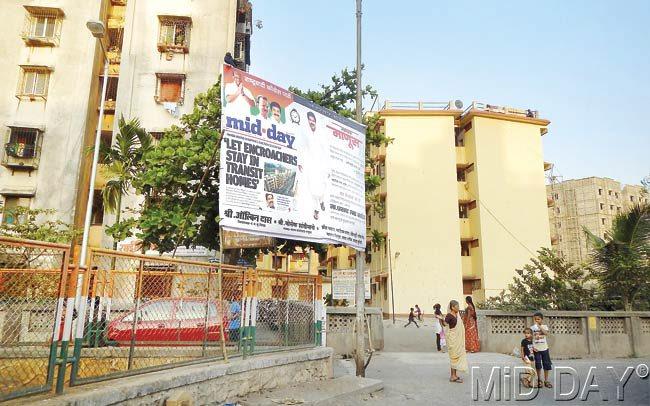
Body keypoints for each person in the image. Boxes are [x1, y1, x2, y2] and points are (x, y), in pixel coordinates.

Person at [297, 111, 329, 220]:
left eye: (313, 120)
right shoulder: (305, 133)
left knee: (323, 185)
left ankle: (322, 201)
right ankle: (316, 209)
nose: (311, 122)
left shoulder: (321, 133)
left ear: (315, 120)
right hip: (310, 164)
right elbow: (301, 147)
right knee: (312, 187)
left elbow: (326, 150)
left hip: (322, 164)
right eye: (309, 120)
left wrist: (327, 168)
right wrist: (300, 162)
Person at [444, 300, 468, 383]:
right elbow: (444, 324)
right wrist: (440, 319)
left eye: (458, 306)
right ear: (452, 307)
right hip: (453, 340)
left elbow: (460, 326)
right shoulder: (449, 316)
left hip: (458, 339)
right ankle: (452, 376)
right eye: (457, 306)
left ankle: (454, 375)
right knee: (453, 357)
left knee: (457, 356)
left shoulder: (457, 316)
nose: (458, 308)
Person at [531, 312, 553, 388]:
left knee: (546, 365)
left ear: (542, 319)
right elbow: (530, 338)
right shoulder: (532, 328)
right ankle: (539, 380)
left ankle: (546, 380)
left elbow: (546, 333)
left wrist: (539, 327)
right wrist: (532, 347)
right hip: (536, 349)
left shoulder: (544, 326)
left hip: (544, 349)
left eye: (538, 319)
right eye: (535, 319)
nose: (536, 320)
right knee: (538, 365)